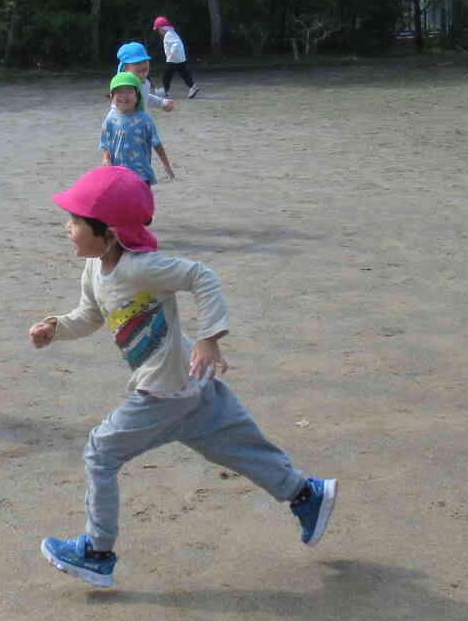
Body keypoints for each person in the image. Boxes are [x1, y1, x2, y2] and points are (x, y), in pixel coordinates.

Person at [27, 166, 335, 589]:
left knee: (101, 451)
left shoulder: (142, 267)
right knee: (238, 447)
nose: (68, 226)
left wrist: (210, 337)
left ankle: (98, 552)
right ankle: (306, 496)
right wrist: (55, 328)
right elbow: (90, 315)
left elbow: (199, 276)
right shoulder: (96, 269)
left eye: (77, 220)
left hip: (165, 390)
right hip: (191, 381)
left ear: (110, 231)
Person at [100, 71, 174, 186]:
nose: (124, 96)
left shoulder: (144, 120)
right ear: (112, 97)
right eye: (119, 92)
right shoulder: (110, 119)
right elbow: (106, 143)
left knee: (141, 203)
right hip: (118, 175)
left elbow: (156, 143)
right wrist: (105, 158)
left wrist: (166, 164)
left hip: (141, 175)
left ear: (138, 96)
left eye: (129, 91)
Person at [114, 41, 175, 112]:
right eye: (137, 63)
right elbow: (116, 109)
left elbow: (144, 97)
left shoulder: (144, 82)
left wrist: (161, 102)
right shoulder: (124, 87)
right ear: (125, 68)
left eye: (145, 61)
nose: (143, 65)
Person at [155, 15, 198, 98]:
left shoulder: (168, 34)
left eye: (158, 29)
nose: (158, 31)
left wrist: (171, 53)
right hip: (180, 58)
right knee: (184, 74)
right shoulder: (172, 33)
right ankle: (193, 87)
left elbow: (176, 43)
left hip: (173, 59)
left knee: (167, 76)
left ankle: (165, 91)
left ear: (161, 28)